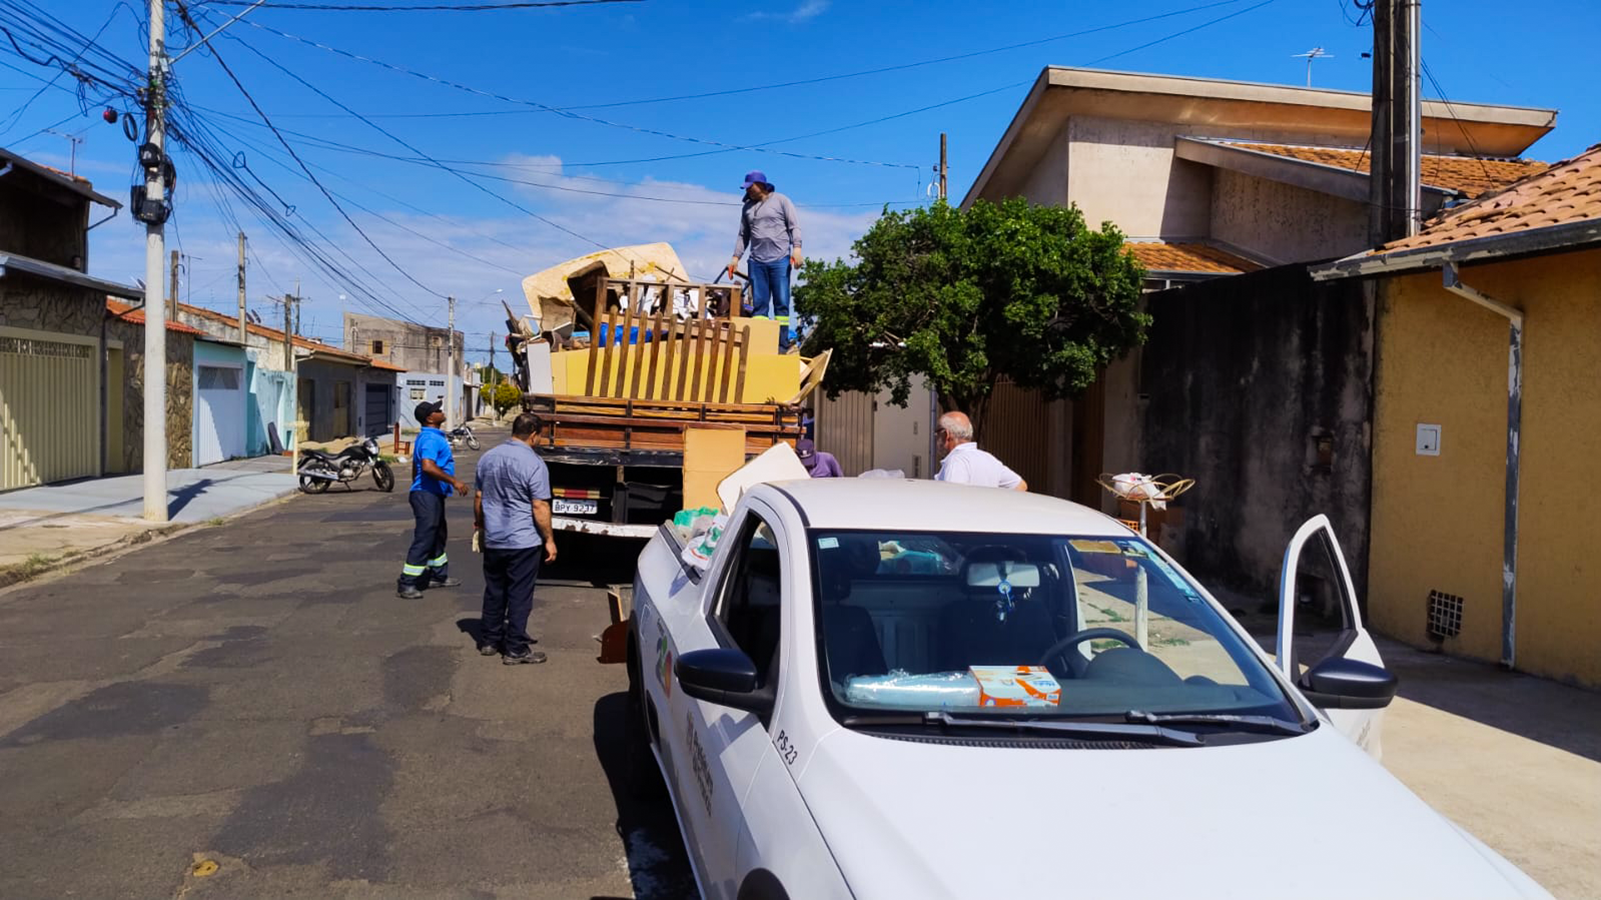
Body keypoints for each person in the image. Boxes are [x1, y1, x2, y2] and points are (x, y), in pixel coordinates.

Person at [473, 412, 558, 665]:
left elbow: (479, 497)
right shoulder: (534, 463)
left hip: (495, 538)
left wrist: (481, 526)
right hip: (523, 540)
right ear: (533, 435)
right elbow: (539, 506)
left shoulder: (488, 457)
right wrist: (549, 539)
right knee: (520, 594)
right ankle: (515, 648)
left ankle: (489, 640)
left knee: (495, 590)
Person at [398, 401, 468, 599]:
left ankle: (438, 575)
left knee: (438, 534)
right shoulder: (430, 439)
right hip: (426, 495)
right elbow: (427, 466)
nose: (442, 411)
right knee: (425, 537)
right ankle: (407, 583)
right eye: (437, 410)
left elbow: (416, 467)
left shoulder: (432, 436)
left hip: (430, 493)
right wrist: (454, 481)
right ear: (430, 418)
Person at [727, 170, 802, 352]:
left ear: (760, 184)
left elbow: (794, 226)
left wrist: (797, 249)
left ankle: (781, 346)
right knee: (759, 306)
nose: (748, 191)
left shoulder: (781, 200)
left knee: (781, 304)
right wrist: (735, 258)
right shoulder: (747, 208)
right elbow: (742, 235)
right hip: (757, 262)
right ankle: (760, 345)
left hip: (779, 260)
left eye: (750, 187)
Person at [934, 411, 1028, 491]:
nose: (936, 437)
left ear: (946, 434)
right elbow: (1021, 486)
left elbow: (951, 499)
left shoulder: (956, 461)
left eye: (937, 432)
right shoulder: (990, 459)